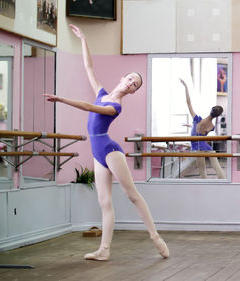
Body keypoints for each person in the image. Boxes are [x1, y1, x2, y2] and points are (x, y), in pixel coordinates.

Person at [43, 24, 169, 261]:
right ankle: (104, 250)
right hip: (97, 152)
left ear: (132, 92)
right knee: (104, 202)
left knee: (132, 195)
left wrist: (61, 98)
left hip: (110, 151)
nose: (131, 83)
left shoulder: (115, 106)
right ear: (123, 78)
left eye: (135, 85)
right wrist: (83, 39)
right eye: (130, 79)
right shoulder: (102, 93)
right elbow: (89, 67)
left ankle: (154, 236)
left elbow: (90, 107)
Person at [180, 79, 226, 179]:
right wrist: (189, 125)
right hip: (205, 147)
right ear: (217, 116)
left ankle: (205, 185)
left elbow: (188, 103)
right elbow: (199, 132)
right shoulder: (212, 127)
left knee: (202, 170)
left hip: (196, 148)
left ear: (211, 110)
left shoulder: (197, 120)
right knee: (216, 166)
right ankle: (223, 180)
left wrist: (186, 87)